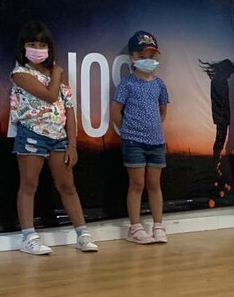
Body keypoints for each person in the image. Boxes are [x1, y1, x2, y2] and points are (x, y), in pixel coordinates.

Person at [10, 23, 98, 255]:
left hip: (59, 137)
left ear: (49, 48)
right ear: (23, 47)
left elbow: (69, 108)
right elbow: (49, 96)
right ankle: (28, 236)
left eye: (42, 45)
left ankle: (82, 233)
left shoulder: (56, 74)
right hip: (32, 134)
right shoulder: (21, 74)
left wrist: (72, 144)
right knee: (29, 184)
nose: (37, 49)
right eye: (32, 44)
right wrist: (57, 74)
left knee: (67, 186)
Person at [111, 30, 170, 245]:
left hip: (156, 142)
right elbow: (116, 110)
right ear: (132, 57)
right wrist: (128, 130)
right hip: (133, 142)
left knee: (154, 184)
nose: (147, 60)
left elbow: (163, 111)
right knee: (137, 183)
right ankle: (135, 227)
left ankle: (158, 225)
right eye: (141, 56)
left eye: (151, 56)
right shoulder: (127, 83)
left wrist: (153, 128)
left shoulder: (159, 84)